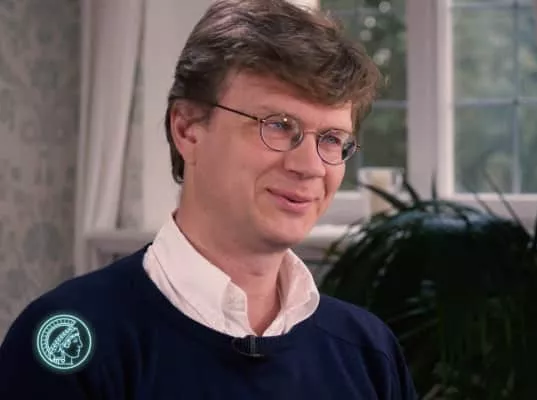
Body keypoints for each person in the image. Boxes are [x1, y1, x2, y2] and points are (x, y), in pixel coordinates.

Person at [0, 0, 418, 398]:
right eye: (277, 125)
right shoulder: (70, 344)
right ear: (187, 129)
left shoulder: (368, 352)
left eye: (331, 138)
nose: (310, 166)